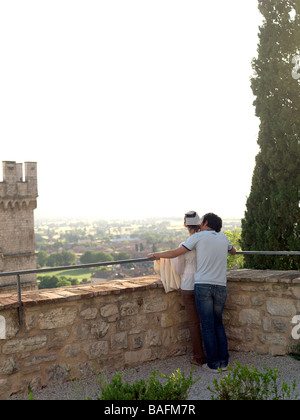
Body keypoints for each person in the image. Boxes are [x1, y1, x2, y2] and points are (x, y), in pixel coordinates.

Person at [148, 212, 236, 373]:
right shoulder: (224, 239)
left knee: (207, 326)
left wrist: (155, 255)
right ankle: (224, 362)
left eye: (202, 221)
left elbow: (175, 253)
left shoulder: (198, 238)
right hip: (221, 286)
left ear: (207, 222)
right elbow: (233, 251)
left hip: (203, 286)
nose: (200, 224)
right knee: (218, 324)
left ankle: (212, 364)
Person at [173, 211, 205, 367]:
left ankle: (199, 356)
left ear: (185, 224)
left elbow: (179, 270)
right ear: (199, 223)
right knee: (208, 320)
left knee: (193, 323)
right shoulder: (204, 243)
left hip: (187, 285)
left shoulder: (183, 245)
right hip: (204, 283)